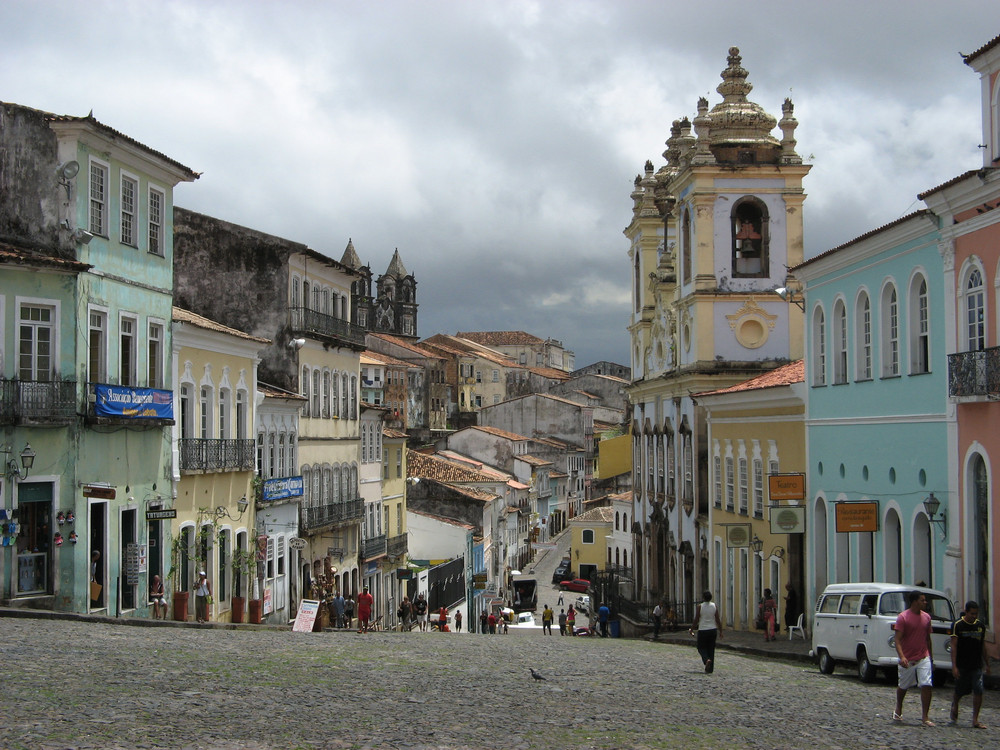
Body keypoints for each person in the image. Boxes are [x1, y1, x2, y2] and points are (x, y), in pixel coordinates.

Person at [893, 590, 934, 726]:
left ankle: (925, 716)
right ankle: (899, 708)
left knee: (926, 684)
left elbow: (928, 639)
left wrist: (931, 657)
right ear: (915, 601)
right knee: (903, 686)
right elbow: (897, 640)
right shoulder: (903, 617)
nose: (925, 602)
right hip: (908, 659)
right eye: (922, 600)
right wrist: (902, 657)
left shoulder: (927, 617)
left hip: (923, 656)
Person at [950, 600, 990, 728]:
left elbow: (983, 645)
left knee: (978, 690)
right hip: (962, 664)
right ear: (966, 612)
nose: (974, 616)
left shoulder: (980, 626)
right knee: (960, 690)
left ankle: (975, 719)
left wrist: (987, 663)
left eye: (976, 614)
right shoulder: (958, 625)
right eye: (972, 614)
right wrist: (954, 666)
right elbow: (954, 646)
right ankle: (955, 703)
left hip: (976, 664)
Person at [690, 590, 723, 673]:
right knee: (711, 649)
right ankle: (710, 669)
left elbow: (696, 619)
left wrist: (692, 629)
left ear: (703, 598)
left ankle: (706, 660)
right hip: (713, 630)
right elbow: (718, 619)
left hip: (703, 630)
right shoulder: (714, 606)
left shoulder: (700, 606)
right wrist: (721, 631)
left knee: (701, 647)